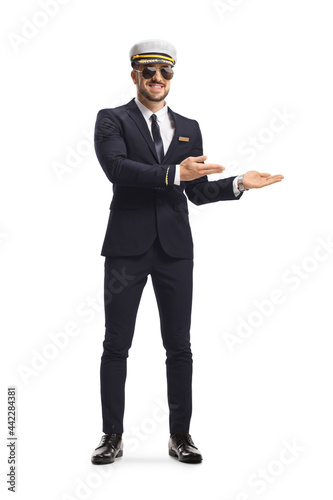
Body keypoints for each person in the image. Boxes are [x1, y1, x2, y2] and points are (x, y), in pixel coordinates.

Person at [91, 39, 284, 465]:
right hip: (126, 248)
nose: (158, 79)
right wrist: (175, 172)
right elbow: (116, 168)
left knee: (179, 345)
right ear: (134, 75)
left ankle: (180, 436)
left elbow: (193, 190)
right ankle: (111, 435)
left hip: (175, 249)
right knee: (116, 344)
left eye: (166, 72)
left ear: (172, 77)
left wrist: (236, 184)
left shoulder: (189, 126)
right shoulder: (112, 120)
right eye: (149, 72)